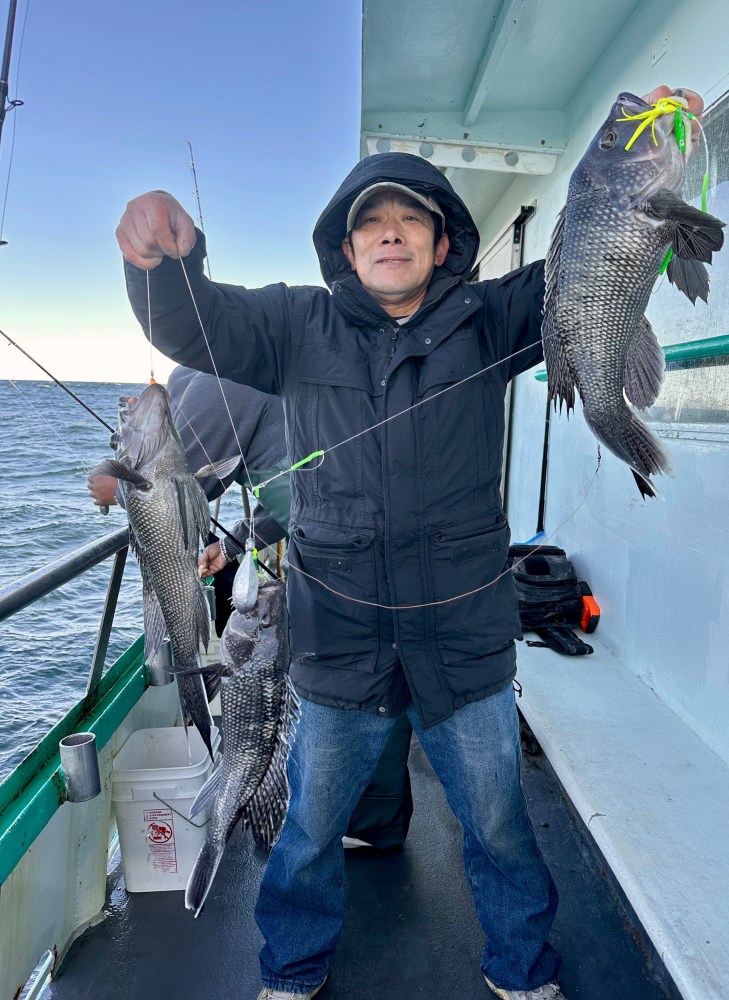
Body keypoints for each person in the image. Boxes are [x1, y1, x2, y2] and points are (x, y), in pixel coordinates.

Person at [115, 87, 703, 1000]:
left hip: (464, 629)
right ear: (346, 249)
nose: (390, 233)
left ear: (440, 241)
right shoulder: (291, 325)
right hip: (339, 632)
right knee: (311, 826)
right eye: (371, 223)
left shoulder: (492, 316)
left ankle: (522, 970)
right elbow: (193, 323)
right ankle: (290, 969)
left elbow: (596, 256)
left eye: (410, 220)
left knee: (500, 822)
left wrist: (667, 136)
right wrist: (160, 260)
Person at [88, 364, 414, 852]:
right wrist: (240, 540)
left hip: (353, 547)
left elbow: (171, 482)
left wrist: (110, 482)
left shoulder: (213, 381)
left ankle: (372, 823)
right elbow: (293, 472)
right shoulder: (213, 378)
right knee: (364, 669)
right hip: (341, 531)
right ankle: (368, 814)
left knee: (363, 674)